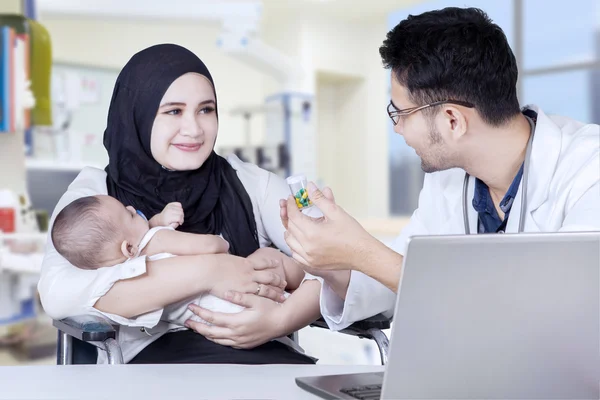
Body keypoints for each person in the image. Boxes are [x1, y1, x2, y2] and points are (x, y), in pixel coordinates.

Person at [279, 7, 600, 331]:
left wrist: (362, 251)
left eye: (400, 113)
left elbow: (556, 318)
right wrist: (334, 261)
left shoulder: (588, 171)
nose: (397, 128)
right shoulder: (449, 179)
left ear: (452, 120)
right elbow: (397, 279)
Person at [38, 43, 322, 364]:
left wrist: (282, 315)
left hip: (268, 356)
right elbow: (58, 294)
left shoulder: (253, 183)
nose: (194, 129)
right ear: (137, 115)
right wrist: (211, 270)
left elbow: (348, 267)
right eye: (173, 111)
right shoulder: (96, 196)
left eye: (206, 109)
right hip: (157, 368)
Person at [50, 194, 304, 326]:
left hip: (212, 318)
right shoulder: (155, 240)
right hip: (243, 298)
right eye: (128, 215)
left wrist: (156, 221)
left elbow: (142, 242)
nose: (131, 208)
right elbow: (213, 245)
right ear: (128, 247)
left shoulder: (122, 272)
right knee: (269, 257)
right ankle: (309, 280)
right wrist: (219, 242)